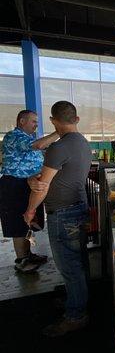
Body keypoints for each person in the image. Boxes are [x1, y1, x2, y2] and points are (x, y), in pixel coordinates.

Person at [24, 101, 92, 337]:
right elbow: (48, 177)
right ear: (77, 119)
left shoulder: (58, 147)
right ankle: (78, 300)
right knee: (78, 261)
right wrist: (33, 179)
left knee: (69, 267)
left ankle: (76, 315)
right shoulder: (83, 143)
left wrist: (30, 210)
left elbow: (42, 187)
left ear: (53, 121)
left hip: (63, 213)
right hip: (79, 207)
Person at [0, 110, 58, 273]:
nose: (36, 125)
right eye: (33, 121)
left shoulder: (28, 138)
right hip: (15, 185)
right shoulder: (14, 136)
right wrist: (59, 131)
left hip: (28, 184)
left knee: (29, 220)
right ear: (22, 121)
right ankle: (21, 261)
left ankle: (28, 254)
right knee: (18, 223)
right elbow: (39, 145)